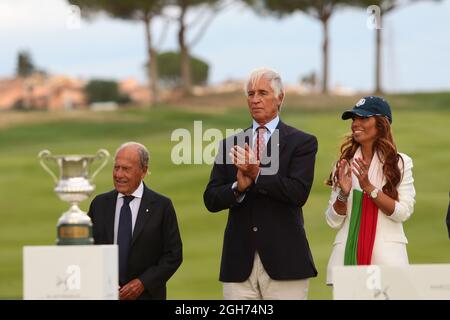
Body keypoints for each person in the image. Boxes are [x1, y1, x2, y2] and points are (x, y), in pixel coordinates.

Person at [203, 67, 318, 300]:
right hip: (238, 265)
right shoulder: (230, 144)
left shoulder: (301, 142)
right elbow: (211, 199)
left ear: (280, 97)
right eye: (250, 93)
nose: (255, 100)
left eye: (263, 93)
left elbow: (298, 193)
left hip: (285, 263)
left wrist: (258, 174)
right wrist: (238, 188)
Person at [325, 96, 416, 285]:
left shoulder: (401, 163)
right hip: (348, 261)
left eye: (364, 118)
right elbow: (332, 221)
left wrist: (369, 188)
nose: (356, 124)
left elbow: (402, 212)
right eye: (354, 119)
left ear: (381, 124)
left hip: (388, 266)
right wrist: (343, 193)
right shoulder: (343, 165)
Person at [88, 142, 182, 300]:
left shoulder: (161, 206)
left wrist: (142, 283)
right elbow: (88, 249)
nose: (118, 175)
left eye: (126, 169)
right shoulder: (100, 204)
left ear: (143, 171)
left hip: (147, 296)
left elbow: (173, 255)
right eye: (116, 167)